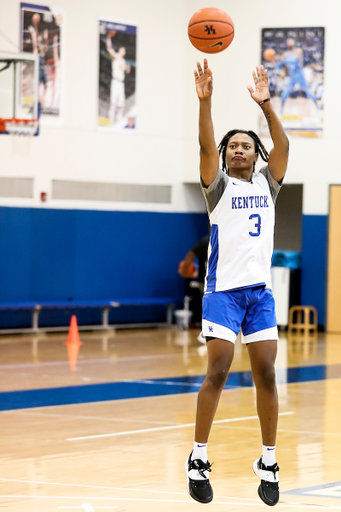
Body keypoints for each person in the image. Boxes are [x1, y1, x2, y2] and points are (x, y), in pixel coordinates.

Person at [184, 60, 289, 507]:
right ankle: (198, 457)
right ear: (226, 156)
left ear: (256, 154)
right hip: (223, 293)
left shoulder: (269, 184)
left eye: (247, 146)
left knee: (266, 373)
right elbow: (205, 144)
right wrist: (205, 102)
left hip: (259, 295)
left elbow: (282, 143)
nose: (239, 150)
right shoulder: (217, 188)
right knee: (220, 369)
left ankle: (267, 460)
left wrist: (265, 105)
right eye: (234, 147)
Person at [178, 235, 209, 340]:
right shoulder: (207, 241)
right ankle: (208, 333)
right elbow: (191, 254)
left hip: (219, 279)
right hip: (207, 280)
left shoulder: (224, 239)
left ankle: (210, 333)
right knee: (208, 307)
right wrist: (184, 271)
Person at [276, 38, 318, 114]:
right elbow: (279, 65)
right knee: (284, 94)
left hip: (299, 75)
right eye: (288, 42)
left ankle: (318, 106)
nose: (290, 43)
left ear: (294, 43)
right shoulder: (285, 54)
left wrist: (283, 60)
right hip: (292, 76)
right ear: (287, 43)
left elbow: (294, 61)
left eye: (291, 42)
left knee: (308, 92)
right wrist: (276, 63)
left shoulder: (298, 51)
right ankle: (281, 111)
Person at [106, 32, 131, 124]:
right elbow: (109, 48)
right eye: (123, 50)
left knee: (121, 103)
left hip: (121, 83)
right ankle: (111, 118)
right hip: (116, 81)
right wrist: (108, 37)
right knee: (113, 102)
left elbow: (126, 71)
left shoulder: (123, 61)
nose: (124, 52)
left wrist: (127, 68)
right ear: (120, 51)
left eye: (124, 51)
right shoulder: (116, 57)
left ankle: (119, 119)